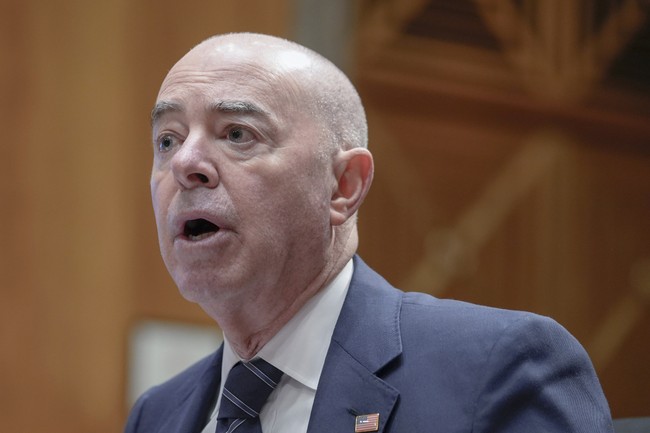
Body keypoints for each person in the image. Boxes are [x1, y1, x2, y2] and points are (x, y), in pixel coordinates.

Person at [125, 32, 613, 433]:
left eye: (237, 134)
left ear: (343, 186)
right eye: (167, 140)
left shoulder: (497, 370)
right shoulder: (157, 415)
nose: (185, 163)